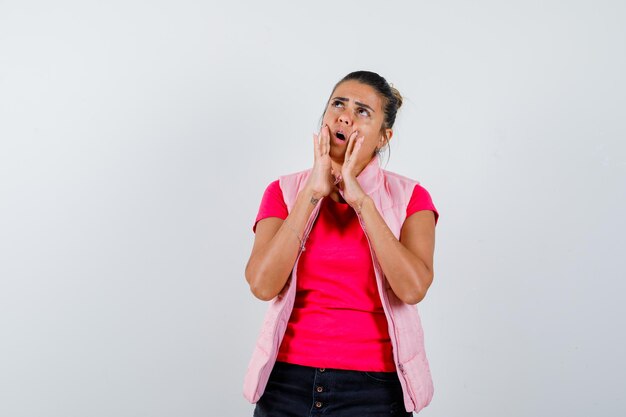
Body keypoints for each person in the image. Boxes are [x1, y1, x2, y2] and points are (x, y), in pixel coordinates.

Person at [243, 71, 439, 416]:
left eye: (363, 111)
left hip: (375, 392)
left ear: (383, 136)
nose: (345, 115)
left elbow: (412, 289)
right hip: (285, 385)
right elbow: (262, 285)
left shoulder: (411, 197)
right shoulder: (283, 192)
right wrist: (311, 194)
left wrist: (363, 202)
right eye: (338, 104)